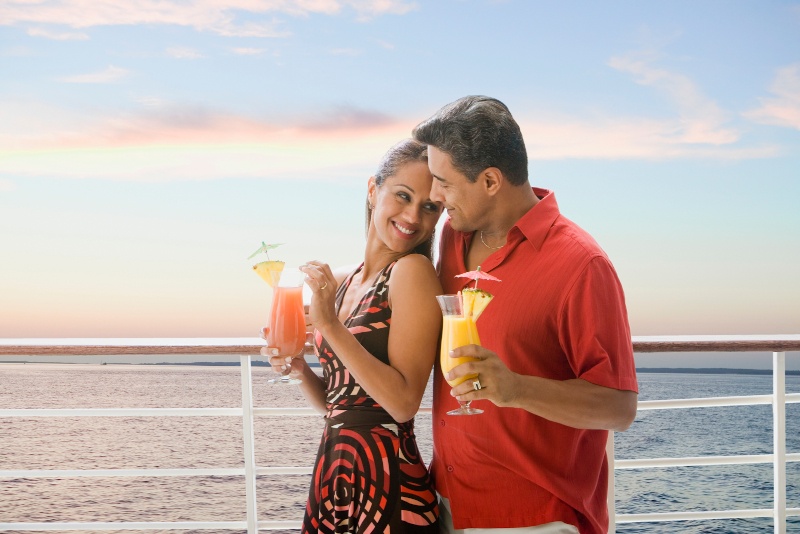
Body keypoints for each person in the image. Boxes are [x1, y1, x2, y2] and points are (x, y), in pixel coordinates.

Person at [411, 96, 639, 534]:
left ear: (491, 180)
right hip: (448, 506)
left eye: (443, 182)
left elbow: (619, 407)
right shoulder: (452, 238)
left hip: (535, 519)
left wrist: (515, 389)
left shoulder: (582, 265)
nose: (435, 197)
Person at [262, 138, 444, 533]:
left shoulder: (412, 273)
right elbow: (341, 405)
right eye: (403, 195)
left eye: (430, 206)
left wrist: (329, 326)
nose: (413, 215)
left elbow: (401, 404)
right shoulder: (344, 282)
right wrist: (299, 368)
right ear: (372, 190)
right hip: (336, 471)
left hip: (390, 483)